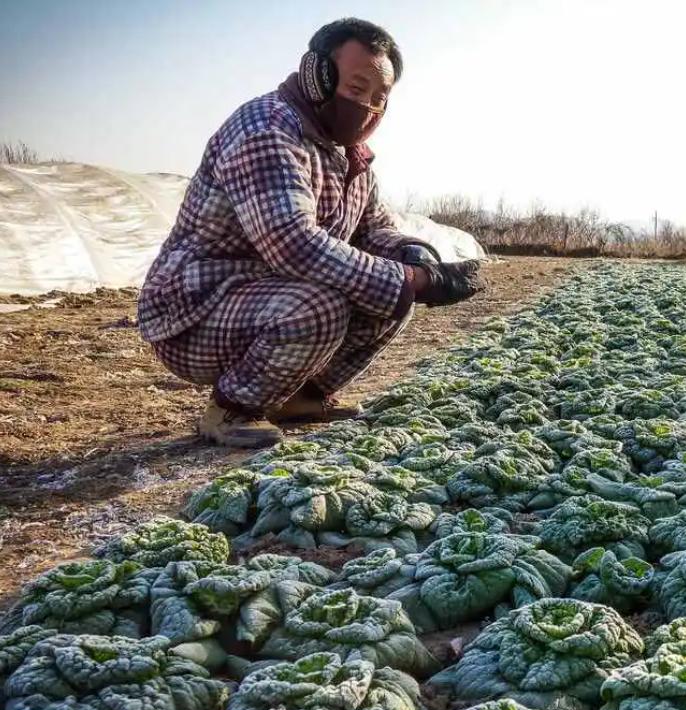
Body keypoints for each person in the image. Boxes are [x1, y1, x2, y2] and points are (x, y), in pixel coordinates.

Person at [138, 18, 483, 448]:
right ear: (317, 74)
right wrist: (409, 280)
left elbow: (374, 230)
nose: (368, 107)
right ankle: (230, 409)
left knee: (392, 294)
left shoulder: (350, 158)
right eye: (357, 89)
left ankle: (298, 398)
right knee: (325, 305)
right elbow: (293, 242)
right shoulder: (267, 129)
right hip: (194, 308)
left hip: (267, 297)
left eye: (380, 99)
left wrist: (417, 259)